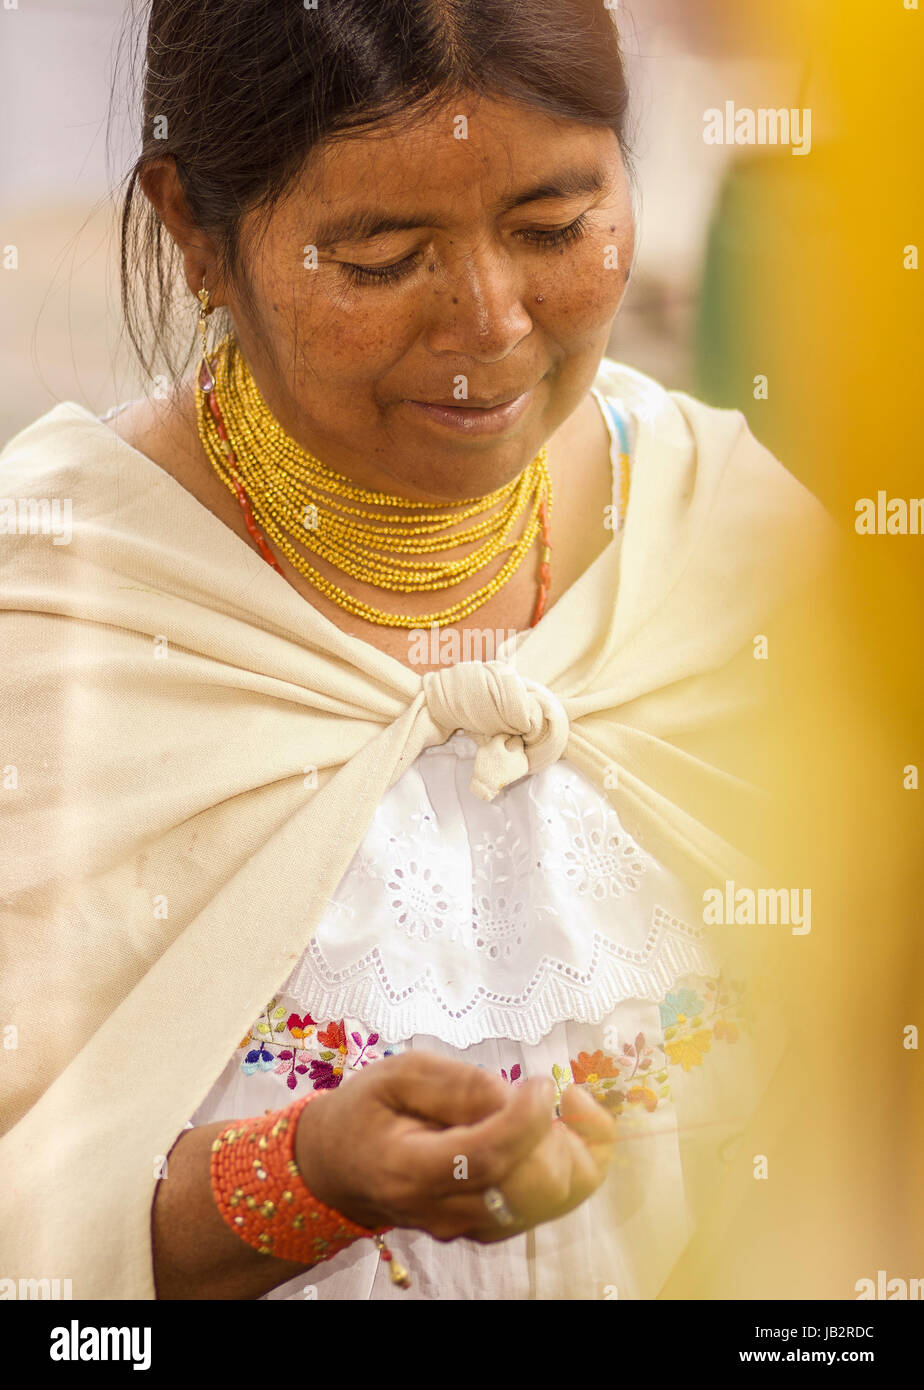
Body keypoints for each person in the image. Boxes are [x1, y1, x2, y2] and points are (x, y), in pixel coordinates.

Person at [0, 0, 834, 1301]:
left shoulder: (729, 541)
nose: (492, 323)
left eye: (555, 227)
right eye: (384, 257)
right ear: (192, 232)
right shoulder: (58, 616)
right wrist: (299, 1179)